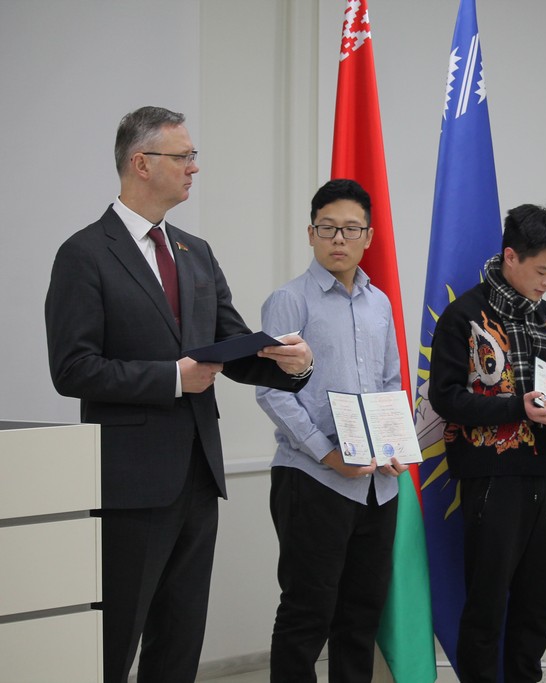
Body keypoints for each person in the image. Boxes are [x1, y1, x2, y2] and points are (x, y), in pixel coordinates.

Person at [44, 106, 314, 683]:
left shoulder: (196, 252)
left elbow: (230, 345)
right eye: (183, 156)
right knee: (113, 645)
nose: (195, 167)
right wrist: (171, 377)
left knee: (179, 643)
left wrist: (291, 364)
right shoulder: (84, 254)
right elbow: (73, 369)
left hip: (197, 478)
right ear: (141, 163)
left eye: (194, 156)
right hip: (129, 484)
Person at [428, 204, 546, 683]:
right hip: (493, 479)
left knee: (542, 602)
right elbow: (445, 398)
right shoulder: (464, 316)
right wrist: (517, 408)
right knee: (487, 603)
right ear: (511, 256)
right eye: (542, 270)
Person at [254, 178, 409, 683]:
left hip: (378, 483)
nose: (339, 239)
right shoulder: (289, 300)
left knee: (361, 616)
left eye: (350, 229)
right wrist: (328, 454)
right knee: (307, 614)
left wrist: (392, 446)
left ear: (368, 236)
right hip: (313, 479)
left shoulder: (379, 303)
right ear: (311, 233)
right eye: (328, 228)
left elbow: (390, 384)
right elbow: (273, 392)